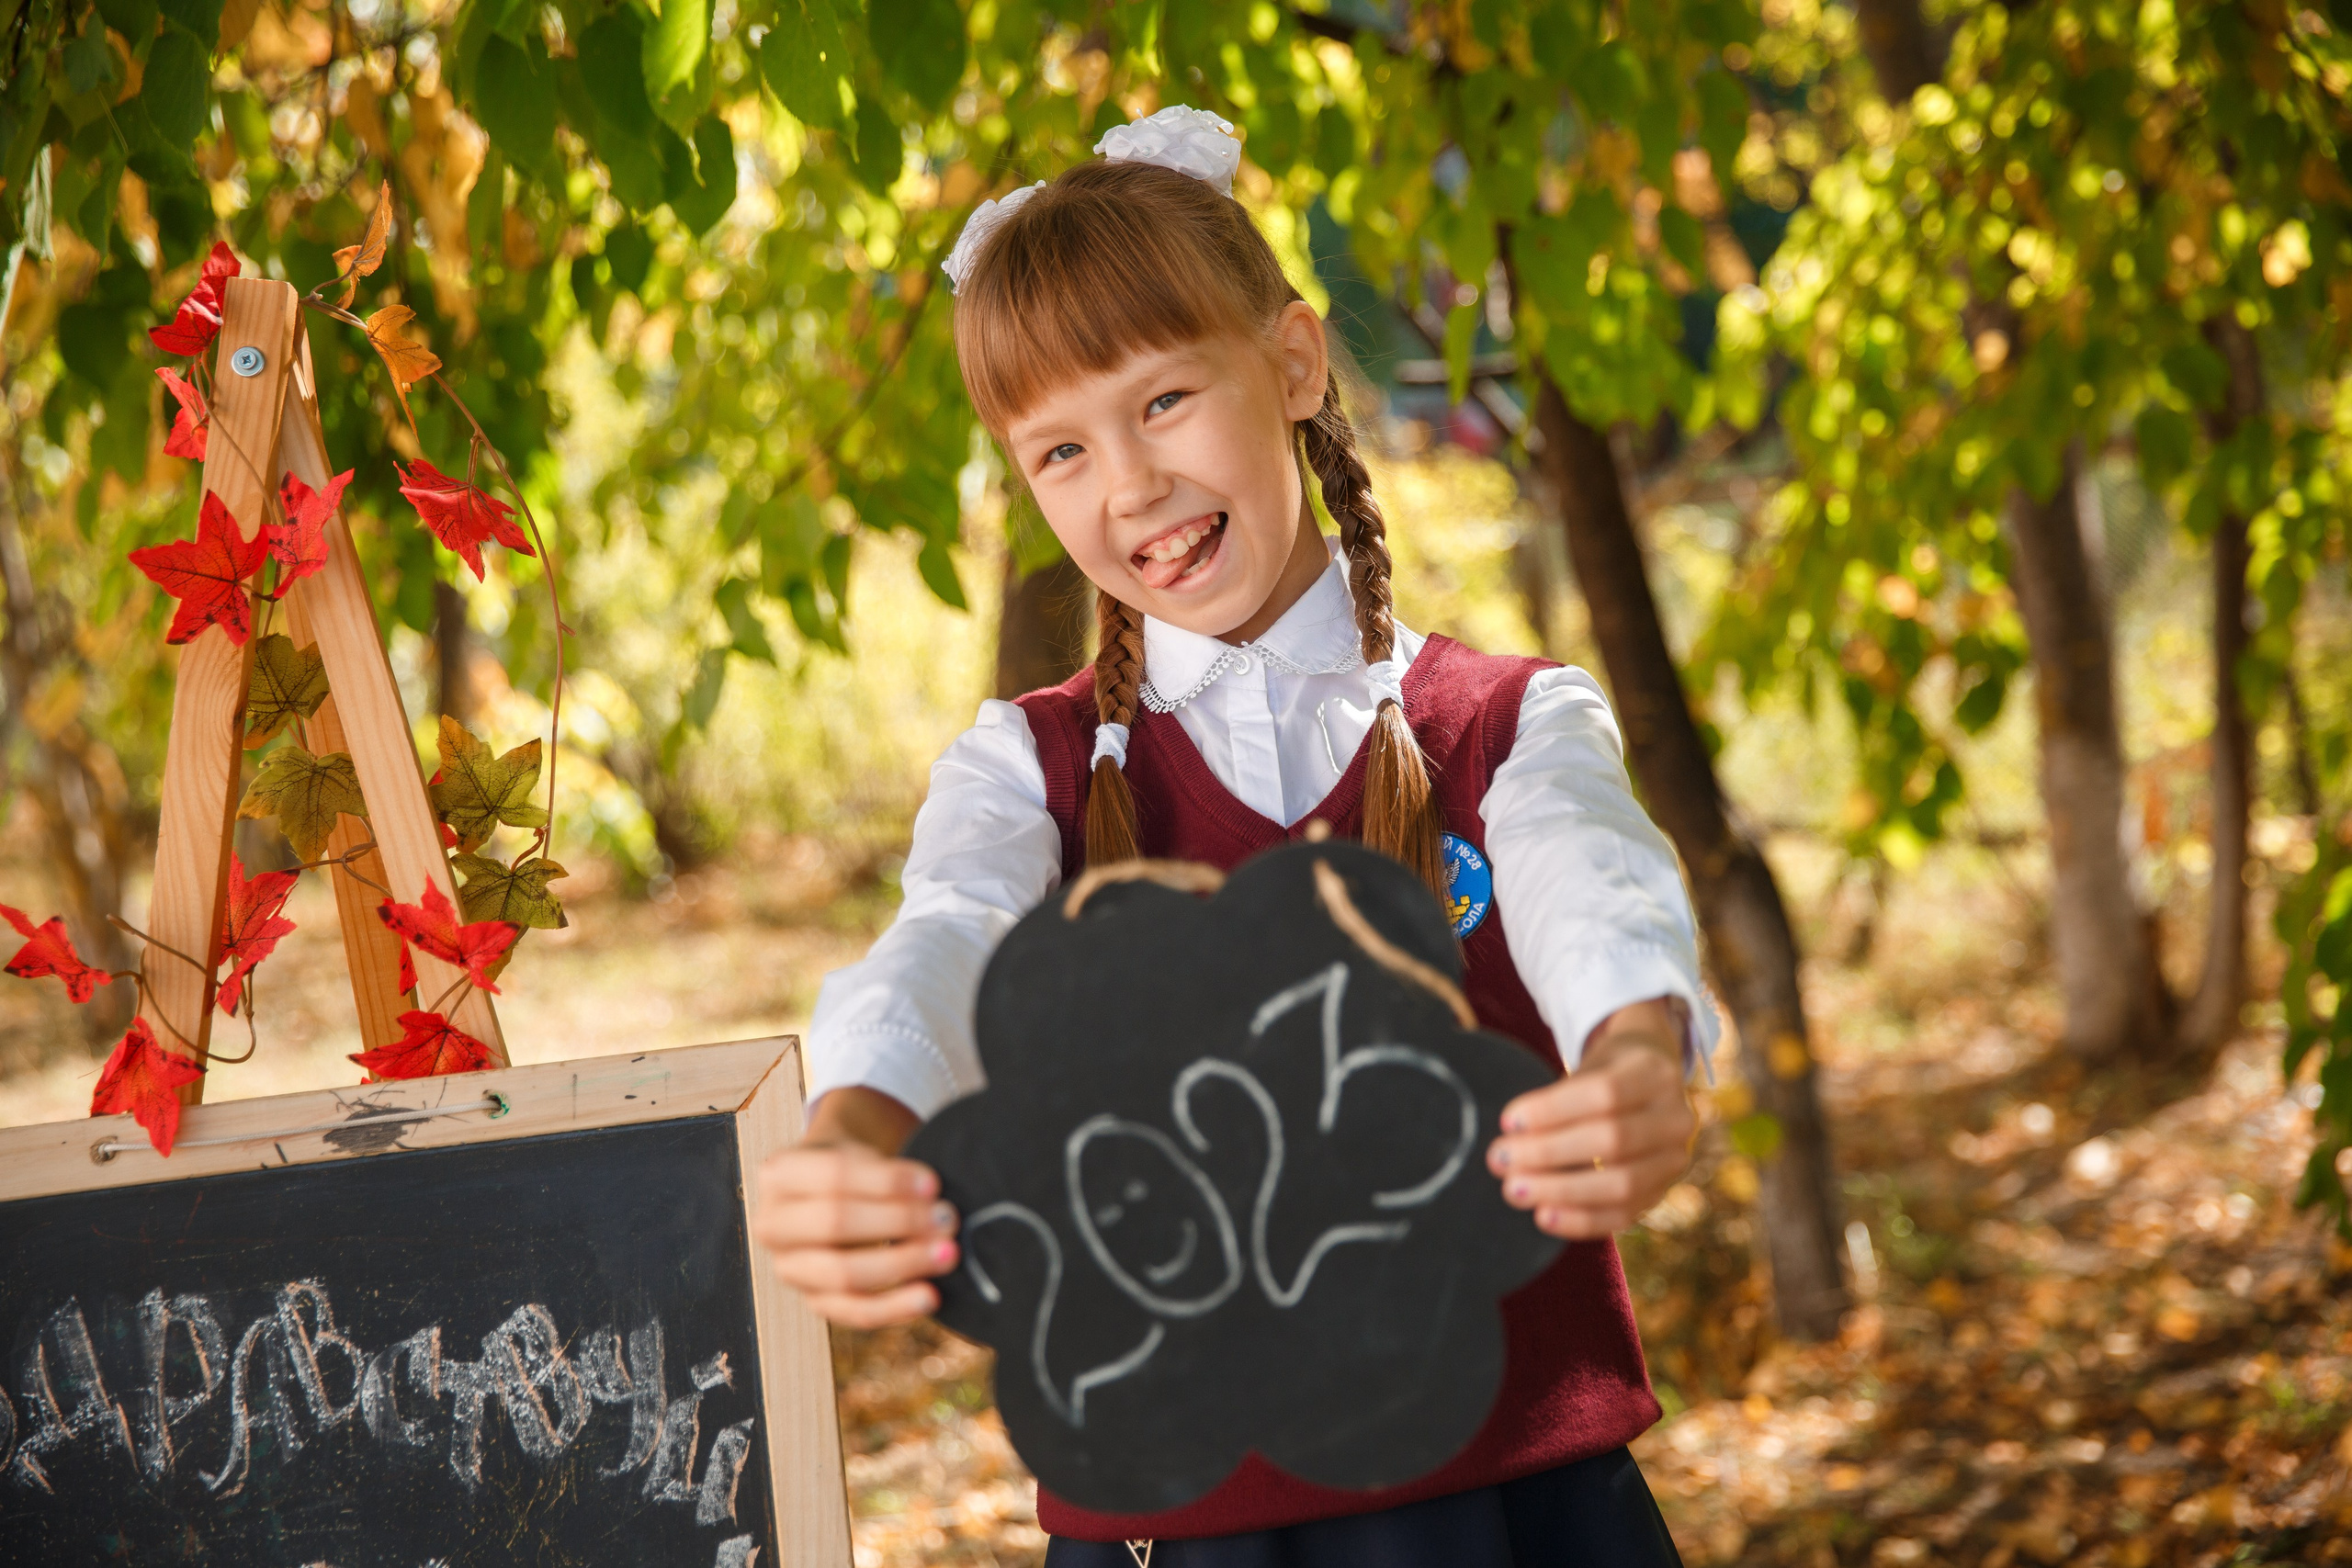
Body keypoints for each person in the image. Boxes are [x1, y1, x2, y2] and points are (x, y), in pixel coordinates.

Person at [753, 106, 1713, 1567]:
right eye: (1057, 451)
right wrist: (857, 1127)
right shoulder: (1033, 770)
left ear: (1292, 361)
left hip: (1513, 1514)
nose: (1127, 487)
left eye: (1161, 402)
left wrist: (1639, 1056)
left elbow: (1598, 890)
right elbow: (944, 940)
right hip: (1178, 1532)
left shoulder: (1502, 723)